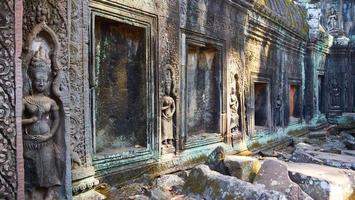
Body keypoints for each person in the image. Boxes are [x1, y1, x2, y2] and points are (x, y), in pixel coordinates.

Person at [22, 47, 61, 200]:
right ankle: (30, 192)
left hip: (46, 140)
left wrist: (50, 134)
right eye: (38, 80)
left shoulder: (50, 101)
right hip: (29, 141)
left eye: (44, 80)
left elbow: (57, 119)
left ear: (48, 81)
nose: (41, 83)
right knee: (31, 168)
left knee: (48, 167)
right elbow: (15, 120)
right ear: (32, 79)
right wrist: (29, 120)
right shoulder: (26, 100)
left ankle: (49, 192)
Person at [161, 68, 175, 145]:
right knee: (164, 129)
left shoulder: (171, 98)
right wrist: (166, 108)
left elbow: (174, 107)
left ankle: (170, 139)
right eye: (167, 87)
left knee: (170, 129)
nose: (168, 89)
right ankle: (164, 140)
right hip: (164, 117)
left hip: (170, 116)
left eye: (169, 87)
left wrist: (172, 114)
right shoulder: (163, 98)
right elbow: (160, 108)